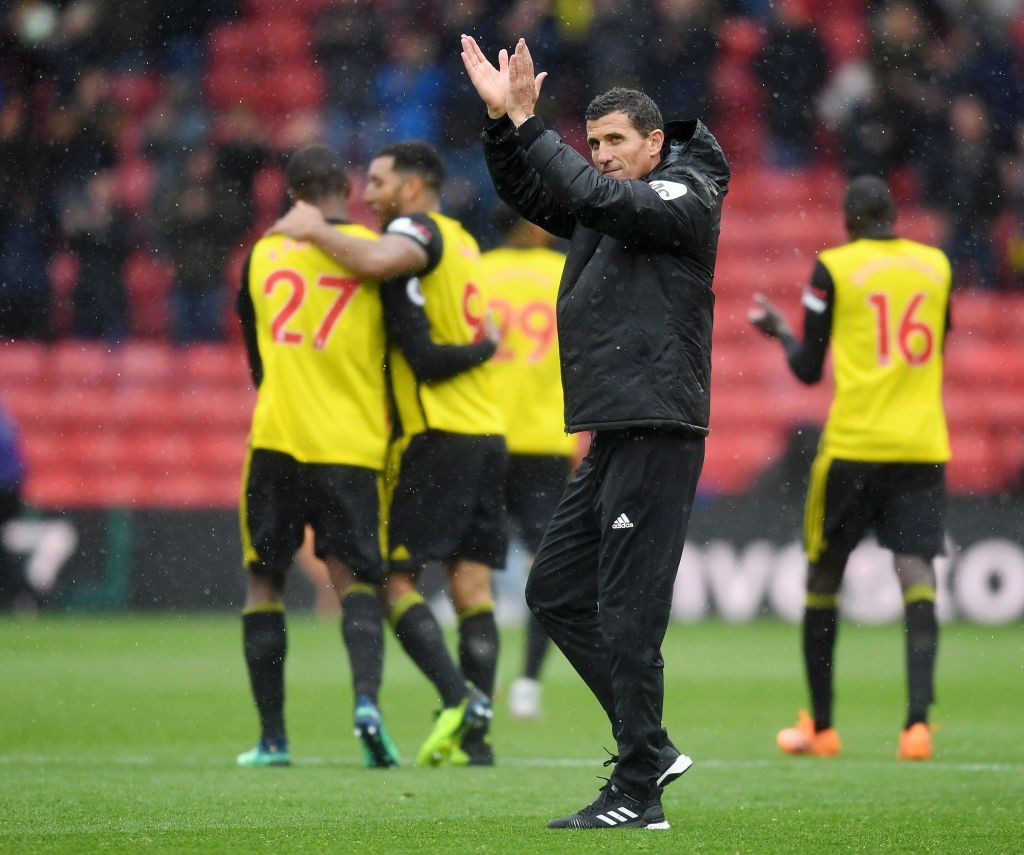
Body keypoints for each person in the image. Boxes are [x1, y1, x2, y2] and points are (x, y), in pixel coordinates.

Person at [461, 36, 730, 829]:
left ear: (655, 143)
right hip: (616, 427)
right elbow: (529, 191)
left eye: (616, 142)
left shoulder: (686, 196)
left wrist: (533, 121)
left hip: (658, 425)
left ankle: (638, 790)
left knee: (629, 613)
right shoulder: (612, 204)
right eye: (595, 143)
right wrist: (501, 124)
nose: (603, 155)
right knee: (553, 591)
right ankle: (648, 746)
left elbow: (597, 197)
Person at [268, 140, 504, 767]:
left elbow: (382, 276)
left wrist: (316, 228)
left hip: (437, 433)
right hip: (488, 430)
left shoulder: (413, 230)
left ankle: (461, 704)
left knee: (394, 578)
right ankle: (474, 741)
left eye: (376, 182)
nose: (364, 195)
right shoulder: (464, 239)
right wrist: (484, 351)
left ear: (412, 185)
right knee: (472, 582)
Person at [748, 175, 952, 762]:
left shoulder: (834, 267)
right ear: (895, 216)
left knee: (823, 579)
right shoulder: (936, 266)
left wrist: (782, 332)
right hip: (919, 444)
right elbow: (934, 341)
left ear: (849, 221)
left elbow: (810, 369)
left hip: (855, 445)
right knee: (917, 575)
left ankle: (824, 729)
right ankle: (916, 727)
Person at [234, 143, 395, 769]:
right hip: (351, 442)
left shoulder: (263, 256)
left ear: (291, 191)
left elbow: (256, 357)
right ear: (348, 187)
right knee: (356, 579)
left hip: (276, 437)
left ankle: (273, 739)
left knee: (264, 581)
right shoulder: (369, 254)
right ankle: (366, 705)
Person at [478, 204, 574, 720]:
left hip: (485, 435)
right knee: (547, 569)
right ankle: (528, 684)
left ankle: (480, 684)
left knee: (476, 567)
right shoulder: (565, 270)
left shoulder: (479, 272)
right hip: (545, 438)